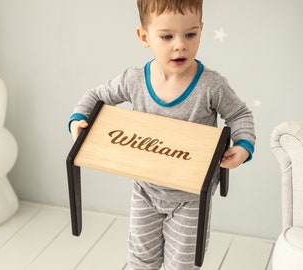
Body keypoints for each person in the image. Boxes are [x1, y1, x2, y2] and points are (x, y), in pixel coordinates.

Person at [68, 0, 256, 269]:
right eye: (167, 36)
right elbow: (97, 96)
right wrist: (79, 120)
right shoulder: (134, 80)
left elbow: (240, 115)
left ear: (201, 30)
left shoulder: (211, 86)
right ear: (144, 37)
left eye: (190, 34)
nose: (180, 45)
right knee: (141, 260)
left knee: (182, 264)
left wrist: (243, 146)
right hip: (145, 189)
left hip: (191, 197)